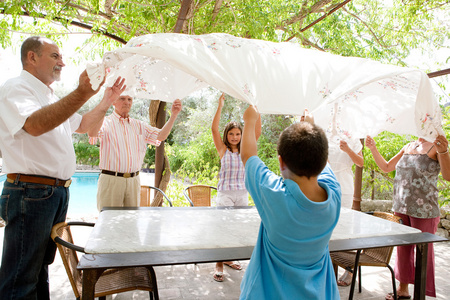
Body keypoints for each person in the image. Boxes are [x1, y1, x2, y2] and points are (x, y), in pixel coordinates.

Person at [0, 36, 126, 299]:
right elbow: (34, 125)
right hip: (31, 192)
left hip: (52, 195)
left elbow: (85, 126)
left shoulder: (48, 97)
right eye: (55, 56)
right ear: (31, 57)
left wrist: (105, 101)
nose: (63, 63)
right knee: (20, 277)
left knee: (38, 271)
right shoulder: (16, 88)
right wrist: (81, 92)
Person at [239, 106, 341, 300]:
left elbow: (248, 156)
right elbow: (322, 161)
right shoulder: (333, 195)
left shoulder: (273, 194)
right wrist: (310, 126)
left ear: (281, 162)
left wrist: (250, 121)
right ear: (322, 160)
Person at [365, 134, 450, 300]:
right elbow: (387, 167)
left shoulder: (436, 146)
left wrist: (445, 151)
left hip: (425, 210)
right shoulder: (408, 146)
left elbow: (448, 176)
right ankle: (402, 290)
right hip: (401, 206)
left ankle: (421, 293)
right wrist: (373, 148)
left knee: (424, 252)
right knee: (403, 250)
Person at [88, 94, 182, 211]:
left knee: (131, 223)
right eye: (122, 98)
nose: (126, 102)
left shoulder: (139, 125)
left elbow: (161, 136)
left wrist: (173, 115)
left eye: (129, 99)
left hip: (134, 181)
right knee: (108, 222)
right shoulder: (105, 122)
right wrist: (103, 107)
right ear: (113, 102)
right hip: (111, 180)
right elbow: (92, 134)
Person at [211, 92, 261, 282]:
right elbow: (214, 129)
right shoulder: (223, 150)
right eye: (231, 134)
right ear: (227, 136)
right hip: (225, 194)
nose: (234, 136)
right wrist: (220, 106)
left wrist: (255, 106)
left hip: (242, 194)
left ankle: (230, 258)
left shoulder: (245, 151)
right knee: (223, 228)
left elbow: (256, 131)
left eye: (238, 134)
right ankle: (219, 264)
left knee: (236, 229)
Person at [328, 139, 364, 286]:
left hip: (344, 187)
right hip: (325, 184)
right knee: (327, 228)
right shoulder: (324, 133)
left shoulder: (353, 137)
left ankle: (349, 269)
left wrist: (348, 149)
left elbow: (360, 162)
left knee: (345, 229)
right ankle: (329, 268)